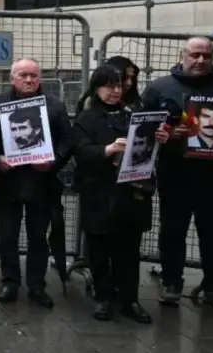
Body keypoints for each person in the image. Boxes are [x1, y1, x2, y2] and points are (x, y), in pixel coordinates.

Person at [141, 36, 213, 310]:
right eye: (195, 55)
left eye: (206, 55)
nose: (201, 60)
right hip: (175, 174)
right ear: (182, 55)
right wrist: (164, 134)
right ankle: (171, 283)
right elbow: (142, 127)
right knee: (172, 231)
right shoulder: (159, 88)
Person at [72, 65, 168, 324]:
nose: (115, 91)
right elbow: (80, 153)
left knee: (128, 249)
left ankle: (130, 299)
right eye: (109, 86)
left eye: (119, 86)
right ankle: (104, 297)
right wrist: (108, 149)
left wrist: (159, 137)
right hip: (99, 192)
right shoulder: (87, 118)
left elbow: (148, 147)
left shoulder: (134, 114)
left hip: (131, 192)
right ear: (97, 87)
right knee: (99, 248)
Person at [0, 58, 73, 308]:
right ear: (12, 77)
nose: (29, 80)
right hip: (8, 181)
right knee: (7, 236)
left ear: (40, 79)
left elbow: (68, 142)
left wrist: (54, 161)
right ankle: (10, 283)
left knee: (38, 237)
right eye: (23, 75)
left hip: (42, 183)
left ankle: (37, 286)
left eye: (34, 76)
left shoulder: (55, 106)